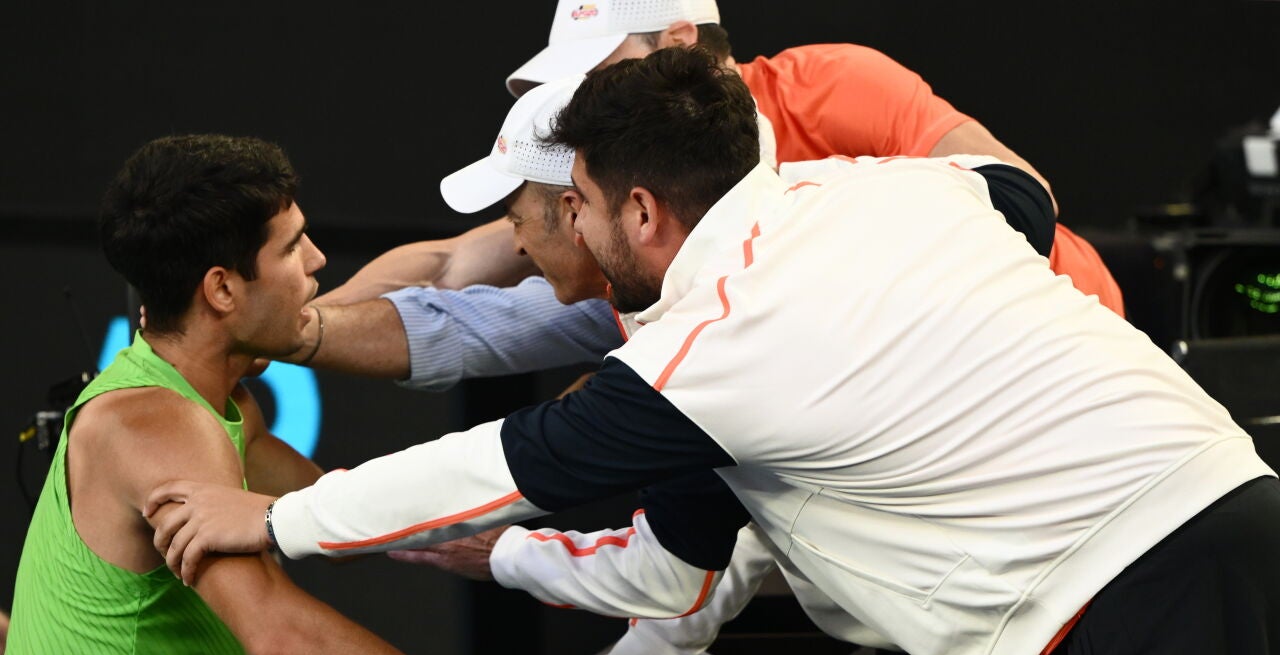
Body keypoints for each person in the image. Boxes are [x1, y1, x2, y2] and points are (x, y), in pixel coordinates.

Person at [149, 48, 1280, 655]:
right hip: (1227, 510)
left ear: (640, 213)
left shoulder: (714, 340)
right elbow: (1016, 196)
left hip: (1145, 588)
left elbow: (494, 463)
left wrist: (277, 515)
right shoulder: (869, 190)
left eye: (576, 204)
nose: (563, 231)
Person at [0, 134, 672, 655]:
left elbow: (331, 512)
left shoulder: (216, 399)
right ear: (223, 289)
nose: (319, 259)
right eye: (292, 247)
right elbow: (279, 634)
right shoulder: (154, 427)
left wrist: (463, 537)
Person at [286, 0, 1122, 395]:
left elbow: (1022, 203)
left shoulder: (830, 84)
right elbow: (450, 261)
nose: (582, 102)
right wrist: (273, 339)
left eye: (600, 68)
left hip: (1050, 337)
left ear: (679, 41)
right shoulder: (613, 174)